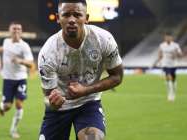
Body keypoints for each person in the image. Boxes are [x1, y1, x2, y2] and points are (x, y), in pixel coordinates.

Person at [37, 0, 123, 140]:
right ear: (58, 18)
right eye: (66, 15)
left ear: (86, 18)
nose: (72, 20)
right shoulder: (48, 53)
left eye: (77, 15)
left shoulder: (103, 40)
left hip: (88, 103)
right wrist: (53, 100)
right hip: (59, 109)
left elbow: (117, 77)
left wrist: (85, 90)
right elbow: (48, 94)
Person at [0, 22, 34, 139]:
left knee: (18, 104)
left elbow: (31, 63)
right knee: (7, 106)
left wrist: (20, 61)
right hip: (7, 79)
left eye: (19, 29)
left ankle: (13, 130)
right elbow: (5, 50)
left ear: (21, 31)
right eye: (14, 29)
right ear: (9, 31)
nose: (16, 31)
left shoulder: (24, 46)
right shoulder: (6, 42)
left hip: (20, 79)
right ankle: (2, 106)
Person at [153, 32, 183, 102]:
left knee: (173, 80)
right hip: (165, 65)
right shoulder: (162, 45)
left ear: (171, 38)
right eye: (166, 37)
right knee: (168, 78)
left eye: (169, 37)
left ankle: (173, 92)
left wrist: (175, 55)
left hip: (173, 65)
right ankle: (170, 95)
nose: (167, 38)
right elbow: (160, 55)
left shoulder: (175, 45)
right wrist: (156, 62)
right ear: (164, 38)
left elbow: (180, 54)